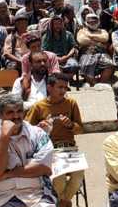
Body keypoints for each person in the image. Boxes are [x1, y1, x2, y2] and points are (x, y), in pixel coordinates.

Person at [0, 93, 56, 207]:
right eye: (10, 112)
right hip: (0, 197)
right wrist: (4, 138)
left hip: (35, 194)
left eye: (19, 111)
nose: (16, 116)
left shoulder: (38, 135)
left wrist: (8, 174)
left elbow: (43, 168)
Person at [25, 73, 84, 207]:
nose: (63, 91)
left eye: (65, 88)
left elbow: (80, 129)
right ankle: (65, 202)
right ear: (49, 87)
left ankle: (63, 201)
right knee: (59, 177)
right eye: (60, 87)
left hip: (70, 149)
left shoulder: (71, 103)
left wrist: (70, 125)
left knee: (79, 175)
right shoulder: (39, 107)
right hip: (50, 150)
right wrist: (40, 129)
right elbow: (27, 131)